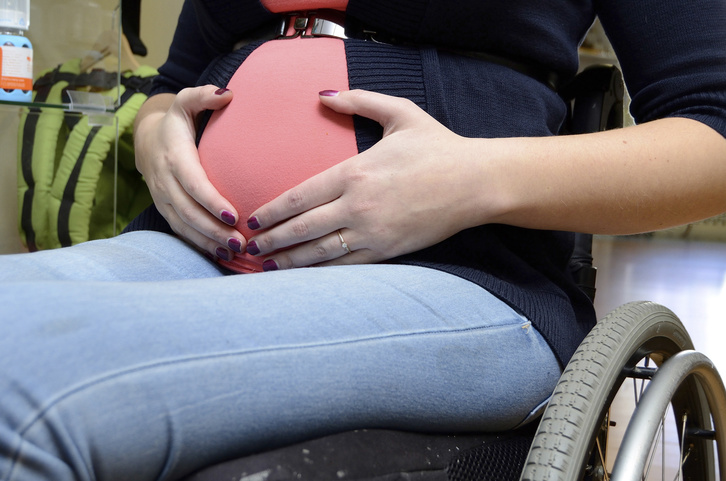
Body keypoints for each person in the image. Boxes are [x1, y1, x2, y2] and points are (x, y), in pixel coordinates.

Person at [1, 0, 725, 480]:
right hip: (191, 249)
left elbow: (714, 134)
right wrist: (157, 126)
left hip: (459, 275)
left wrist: (472, 178)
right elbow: (176, 77)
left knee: (23, 380)